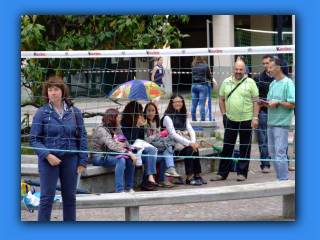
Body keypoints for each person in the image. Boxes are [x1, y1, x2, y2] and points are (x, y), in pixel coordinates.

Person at [29, 76, 88, 221]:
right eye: (50, 90)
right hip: (48, 160)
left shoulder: (75, 112)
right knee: (46, 198)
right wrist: (47, 155)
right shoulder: (41, 113)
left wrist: (82, 161)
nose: (52, 93)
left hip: (70, 159)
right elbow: (33, 139)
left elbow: (82, 138)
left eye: (56, 89)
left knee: (69, 198)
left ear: (62, 91)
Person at [210, 60, 259, 182]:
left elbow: (256, 101)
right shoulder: (226, 82)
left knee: (245, 147)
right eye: (236, 69)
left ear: (245, 70)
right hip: (230, 119)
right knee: (227, 146)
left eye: (241, 69)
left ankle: (242, 173)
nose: (238, 71)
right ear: (233, 69)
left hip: (247, 119)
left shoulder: (251, 82)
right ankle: (222, 173)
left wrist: (255, 117)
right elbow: (221, 99)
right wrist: (224, 115)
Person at [259, 57, 295, 181]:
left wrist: (278, 103)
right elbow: (270, 102)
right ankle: (280, 177)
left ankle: (284, 179)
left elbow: (293, 103)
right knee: (273, 154)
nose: (268, 69)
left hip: (282, 124)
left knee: (280, 154)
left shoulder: (288, 83)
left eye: (270, 66)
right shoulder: (273, 83)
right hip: (271, 123)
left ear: (278, 68)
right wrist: (263, 103)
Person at [161, 94, 205, 186]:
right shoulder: (167, 117)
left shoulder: (183, 115)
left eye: (180, 101)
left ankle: (197, 175)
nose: (178, 103)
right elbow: (173, 134)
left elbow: (190, 130)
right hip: (172, 147)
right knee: (190, 150)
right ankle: (189, 178)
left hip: (182, 144)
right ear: (171, 103)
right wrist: (190, 143)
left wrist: (193, 142)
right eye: (175, 101)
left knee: (194, 149)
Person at [90, 109, 137, 193]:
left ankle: (129, 187)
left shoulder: (116, 128)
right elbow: (111, 145)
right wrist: (128, 152)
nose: (120, 119)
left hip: (112, 154)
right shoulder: (101, 130)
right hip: (98, 156)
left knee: (130, 159)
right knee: (121, 159)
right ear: (112, 118)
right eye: (118, 117)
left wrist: (123, 145)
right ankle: (119, 190)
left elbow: (125, 142)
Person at [121, 100, 160, 191]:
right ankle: (130, 186)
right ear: (133, 112)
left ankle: (148, 180)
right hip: (129, 148)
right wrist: (137, 126)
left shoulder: (140, 120)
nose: (141, 114)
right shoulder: (124, 122)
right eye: (139, 112)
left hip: (139, 147)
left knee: (151, 150)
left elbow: (142, 139)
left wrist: (143, 126)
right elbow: (130, 140)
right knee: (132, 159)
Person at [143, 102, 181, 188]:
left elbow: (158, 139)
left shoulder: (156, 123)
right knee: (168, 149)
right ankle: (169, 170)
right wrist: (159, 135)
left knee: (167, 149)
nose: (151, 112)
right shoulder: (144, 124)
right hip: (148, 151)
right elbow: (146, 140)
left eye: (153, 110)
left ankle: (163, 178)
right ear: (145, 111)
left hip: (156, 148)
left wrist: (163, 135)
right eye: (148, 110)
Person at [253, 54, 274, 173]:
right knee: (263, 139)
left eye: (267, 63)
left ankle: (285, 162)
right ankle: (265, 164)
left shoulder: (279, 77)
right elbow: (255, 97)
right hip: (263, 112)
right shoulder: (258, 78)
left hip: (277, 112)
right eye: (264, 63)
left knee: (279, 138)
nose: (265, 66)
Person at [190, 56, 216, 121]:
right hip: (202, 86)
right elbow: (209, 76)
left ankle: (193, 119)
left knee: (193, 104)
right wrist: (214, 81)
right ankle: (202, 119)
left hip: (194, 86)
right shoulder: (205, 66)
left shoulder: (193, 66)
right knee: (201, 104)